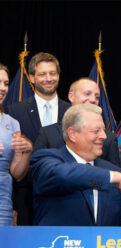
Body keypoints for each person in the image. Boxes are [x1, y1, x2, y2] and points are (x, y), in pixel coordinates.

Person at [30, 103, 121, 226]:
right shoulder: (45, 159)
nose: (104, 136)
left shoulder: (114, 172)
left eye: (104, 130)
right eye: (96, 131)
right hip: (58, 244)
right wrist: (113, 177)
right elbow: (63, 175)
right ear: (72, 134)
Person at [5, 52, 70, 225]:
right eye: (42, 74)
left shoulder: (72, 112)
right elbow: (8, 163)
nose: (49, 78)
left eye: (53, 73)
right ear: (32, 78)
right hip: (26, 198)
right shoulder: (14, 112)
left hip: (65, 197)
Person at [34, 78, 120, 166]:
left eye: (97, 97)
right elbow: (36, 170)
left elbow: (115, 175)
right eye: (87, 94)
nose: (93, 100)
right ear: (71, 96)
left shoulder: (108, 138)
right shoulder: (48, 133)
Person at [0, 64, 33, 225]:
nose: (3, 88)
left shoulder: (12, 123)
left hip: (3, 206)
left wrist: (27, 151)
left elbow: (17, 174)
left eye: (6, 84)